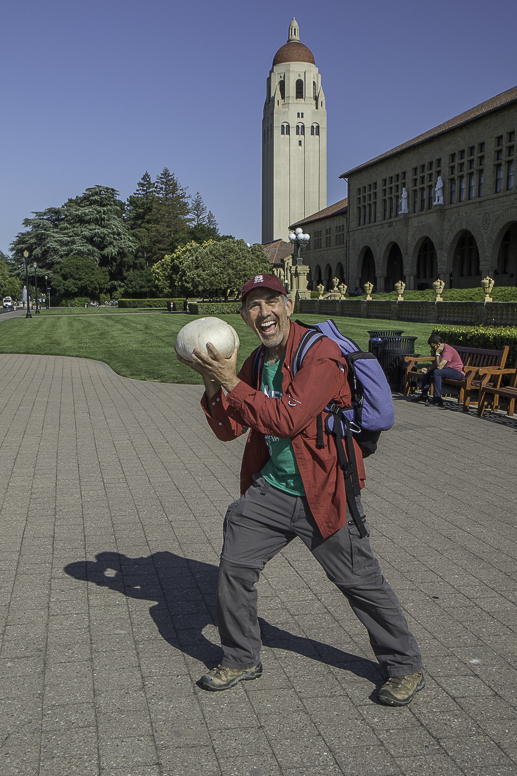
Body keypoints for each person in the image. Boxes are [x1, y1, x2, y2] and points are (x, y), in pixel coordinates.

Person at [176, 274, 424, 706]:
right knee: (234, 566)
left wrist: (232, 383)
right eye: (254, 306)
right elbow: (228, 429)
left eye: (271, 301)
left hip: (323, 489)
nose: (264, 312)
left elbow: (287, 420)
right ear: (243, 317)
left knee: (359, 581)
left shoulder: (321, 355)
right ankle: (240, 657)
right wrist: (213, 382)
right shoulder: (256, 362)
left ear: (288, 305)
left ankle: (404, 665)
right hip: (272, 489)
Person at [411, 334, 465, 406]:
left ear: (439, 344)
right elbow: (437, 364)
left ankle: (437, 399)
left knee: (437, 372)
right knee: (429, 371)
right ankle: (424, 395)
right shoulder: (441, 349)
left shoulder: (447, 351)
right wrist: (428, 369)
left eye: (433, 347)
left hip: (457, 372)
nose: (432, 349)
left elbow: (439, 367)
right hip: (448, 369)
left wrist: (437, 353)